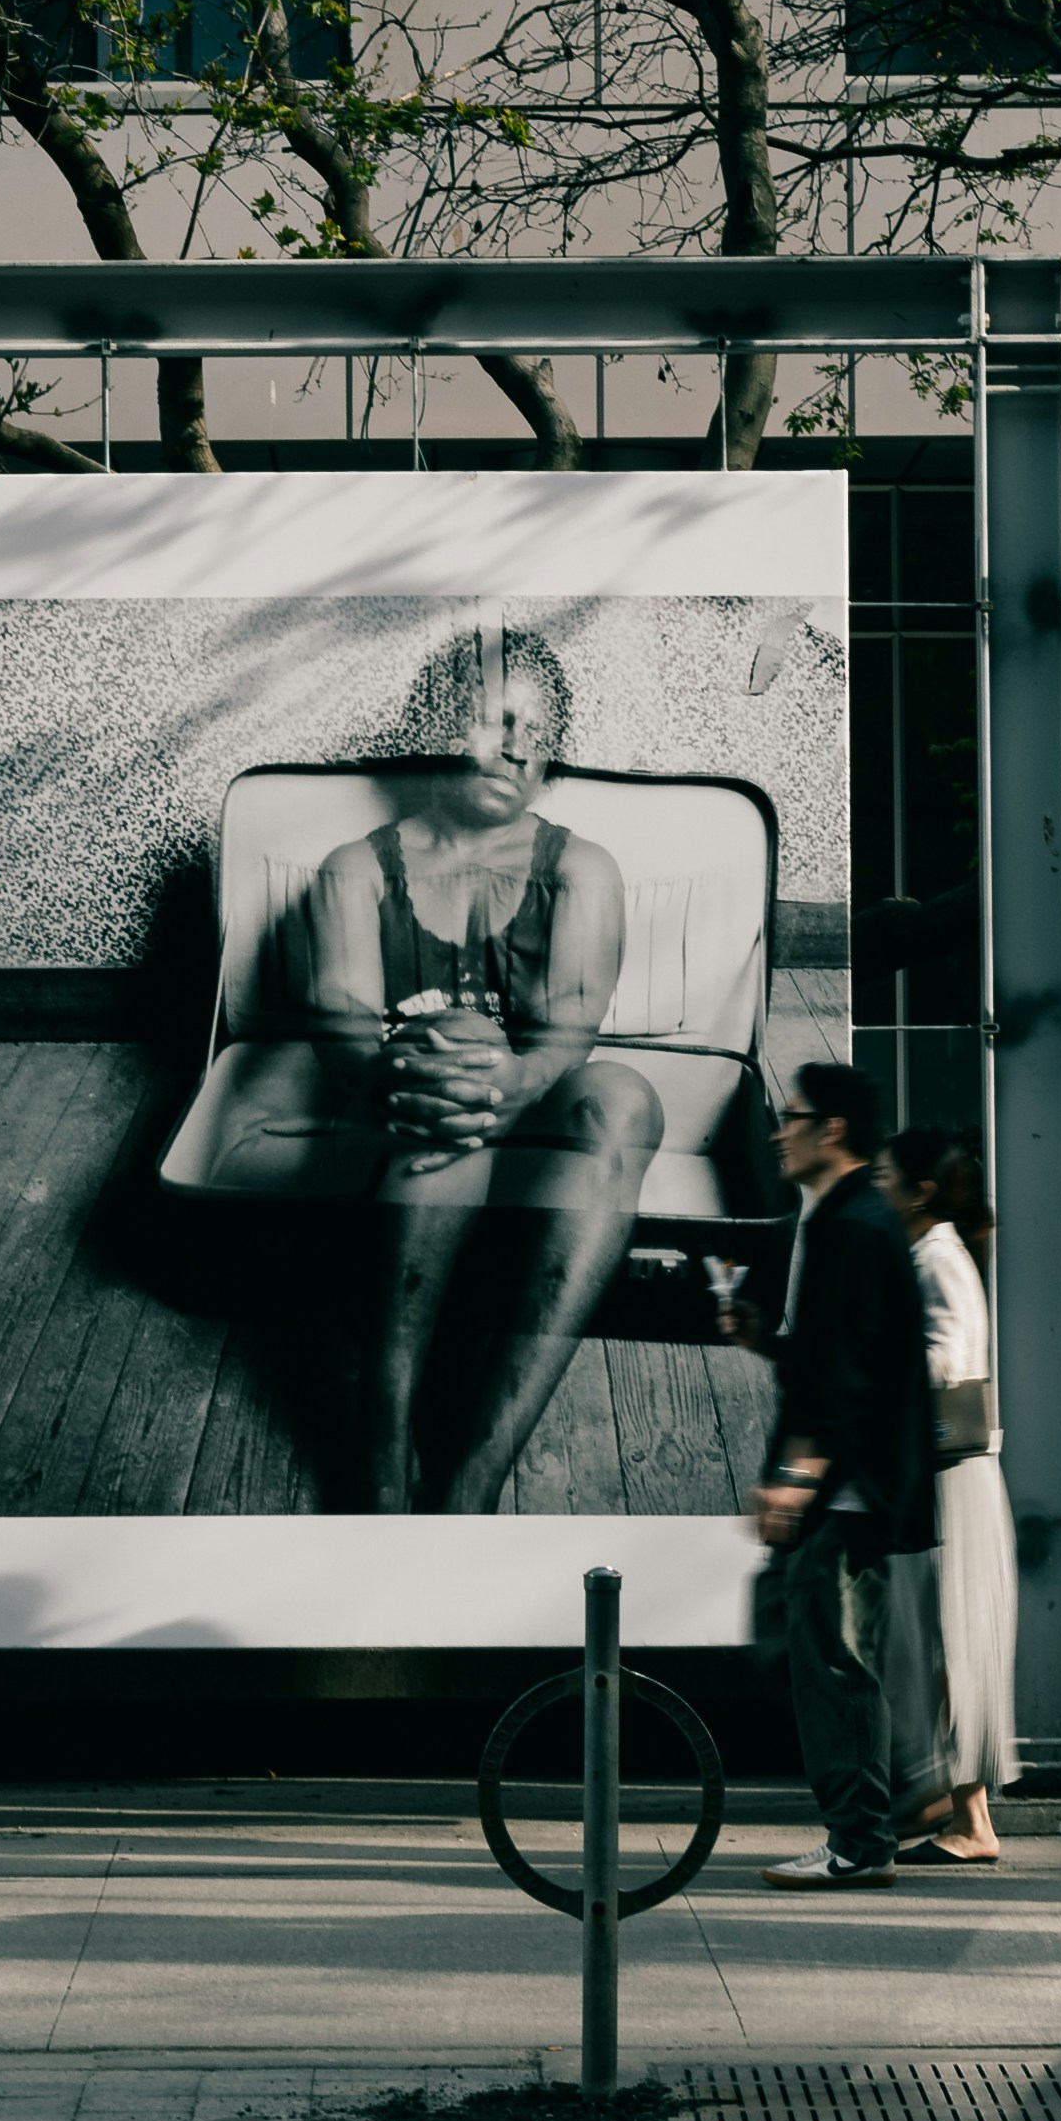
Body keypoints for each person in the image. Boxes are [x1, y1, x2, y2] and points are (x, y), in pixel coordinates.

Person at [274, 628, 663, 1514]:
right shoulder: (354, 870)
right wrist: (423, 1074)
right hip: (409, 1112)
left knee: (627, 1101)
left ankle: (475, 1475)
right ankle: (384, 1448)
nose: (521, 743)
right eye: (499, 717)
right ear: (439, 723)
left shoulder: (584, 869)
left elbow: (568, 1033)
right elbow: (341, 1031)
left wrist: (498, 1083)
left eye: (540, 728)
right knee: (445, 1065)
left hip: (532, 1099)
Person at [748, 1059, 934, 1892]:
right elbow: (831, 1358)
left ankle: (862, 1838)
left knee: (833, 1661)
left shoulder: (852, 1225)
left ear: (831, 1130)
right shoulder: (849, 1218)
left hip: (847, 1487)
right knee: (817, 1648)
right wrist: (767, 1339)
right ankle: (889, 1805)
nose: (777, 1132)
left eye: (790, 1117)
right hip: (847, 1481)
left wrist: (798, 1473)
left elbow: (848, 1377)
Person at [884, 1126, 1013, 1867]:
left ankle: (968, 1818)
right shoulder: (935, 1254)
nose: (876, 1184)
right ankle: (965, 1815)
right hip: (944, 1471)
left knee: (949, 1639)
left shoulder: (937, 1259)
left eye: (884, 1174)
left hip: (950, 1472)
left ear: (920, 1187)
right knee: (943, 1641)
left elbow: (943, 1362)